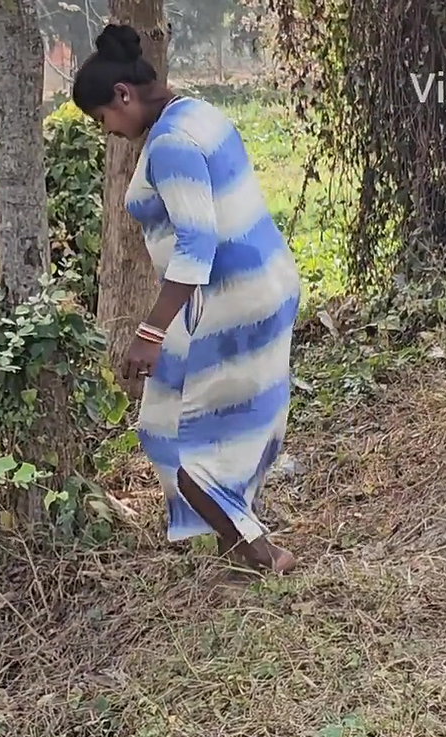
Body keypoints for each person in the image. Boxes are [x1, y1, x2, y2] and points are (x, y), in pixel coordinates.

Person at [72, 24, 300, 574]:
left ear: (123, 95)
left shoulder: (171, 144)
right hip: (256, 284)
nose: (109, 132)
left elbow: (199, 239)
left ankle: (258, 553)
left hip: (229, 301)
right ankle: (236, 535)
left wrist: (150, 332)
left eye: (104, 119)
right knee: (164, 420)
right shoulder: (195, 110)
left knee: (198, 439)